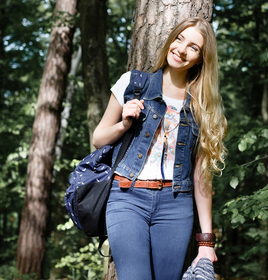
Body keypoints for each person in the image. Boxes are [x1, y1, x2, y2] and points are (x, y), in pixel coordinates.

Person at [92, 17, 227, 280]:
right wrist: (123, 124)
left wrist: (206, 241)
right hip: (127, 197)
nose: (182, 49)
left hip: (176, 205)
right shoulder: (133, 84)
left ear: (200, 58)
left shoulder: (201, 104)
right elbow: (99, 138)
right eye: (179, 39)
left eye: (193, 47)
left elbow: (202, 175)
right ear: (170, 41)